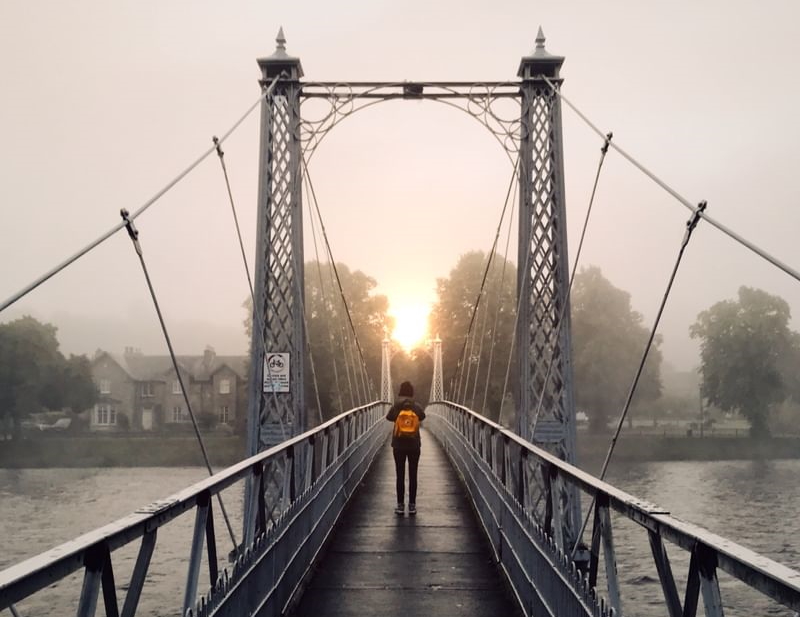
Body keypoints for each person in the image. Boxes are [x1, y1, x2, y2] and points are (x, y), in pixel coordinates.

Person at [386, 381, 426, 515]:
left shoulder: (397, 406)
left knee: (400, 475)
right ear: (412, 392)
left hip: (398, 445)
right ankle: (412, 506)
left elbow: (388, 417)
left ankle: (400, 505)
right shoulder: (415, 406)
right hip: (414, 445)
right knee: (413, 474)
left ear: (400, 392)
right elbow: (423, 416)